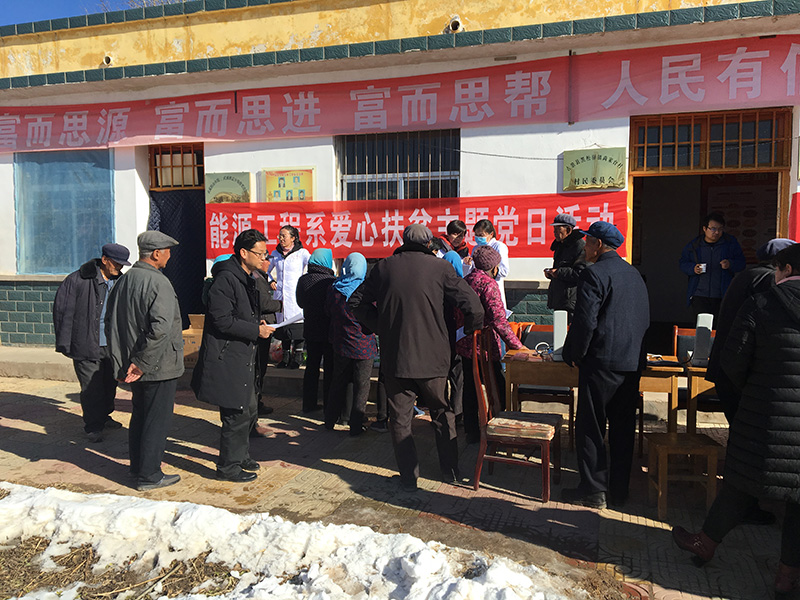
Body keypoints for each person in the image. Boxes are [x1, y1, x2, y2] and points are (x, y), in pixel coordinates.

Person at [672, 243, 800, 597]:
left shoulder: (761, 304)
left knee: (740, 483)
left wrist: (755, 392)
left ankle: (705, 543)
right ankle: (786, 576)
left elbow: (733, 359)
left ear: (786, 270)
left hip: (765, 416)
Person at [349, 224, 484, 491]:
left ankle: (408, 478)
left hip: (396, 357)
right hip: (434, 358)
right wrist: (468, 332)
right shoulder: (441, 268)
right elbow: (474, 306)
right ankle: (451, 471)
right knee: (442, 413)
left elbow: (355, 302)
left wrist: (380, 326)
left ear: (403, 241)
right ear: (429, 244)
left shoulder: (384, 267)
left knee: (400, 419)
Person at [561, 221, 650, 510]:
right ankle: (619, 492)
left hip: (601, 364)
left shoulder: (594, 273)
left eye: (587, 241)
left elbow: (585, 322)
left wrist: (574, 354)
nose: (584, 247)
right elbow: (644, 320)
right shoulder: (633, 274)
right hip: (630, 363)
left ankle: (593, 490)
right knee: (623, 429)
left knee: (591, 427)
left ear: (598, 245)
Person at [191, 230, 277, 482]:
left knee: (248, 409)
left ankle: (240, 456)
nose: (263, 258)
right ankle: (228, 467)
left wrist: (255, 322)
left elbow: (240, 313)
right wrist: (255, 330)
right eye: (260, 254)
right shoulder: (226, 279)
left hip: (243, 355)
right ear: (243, 253)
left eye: (265, 254)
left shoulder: (247, 277)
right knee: (235, 413)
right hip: (228, 356)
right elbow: (221, 320)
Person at [105, 231, 184, 492]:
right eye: (167, 251)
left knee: (140, 416)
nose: (170, 256)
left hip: (135, 364)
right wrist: (142, 362)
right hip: (155, 365)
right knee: (156, 420)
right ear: (157, 254)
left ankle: (138, 467)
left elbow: (111, 325)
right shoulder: (158, 282)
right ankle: (150, 474)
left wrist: (123, 361)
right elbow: (160, 328)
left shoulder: (124, 280)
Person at [53, 243, 131, 443]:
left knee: (109, 385)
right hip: (86, 343)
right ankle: (93, 426)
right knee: (91, 388)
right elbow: (63, 312)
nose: (119, 267)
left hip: (111, 345)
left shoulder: (120, 281)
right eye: (116, 263)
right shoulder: (77, 280)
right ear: (104, 260)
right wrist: (65, 343)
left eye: (122, 264)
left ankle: (104, 416)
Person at [456, 246, 527, 443]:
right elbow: (498, 320)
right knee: (498, 387)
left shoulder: (466, 281)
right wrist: (517, 345)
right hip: (485, 346)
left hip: (465, 344)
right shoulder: (488, 285)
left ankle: (472, 431)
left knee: (471, 388)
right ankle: (500, 428)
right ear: (494, 267)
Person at [324, 252, 377, 435]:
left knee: (338, 381)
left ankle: (330, 419)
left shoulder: (334, 288)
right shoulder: (365, 291)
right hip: (363, 345)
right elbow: (373, 317)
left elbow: (328, 311)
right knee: (362, 386)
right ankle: (356, 425)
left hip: (340, 342)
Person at [679, 211, 746, 320]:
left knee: (721, 326)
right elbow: (683, 263)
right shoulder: (694, 245)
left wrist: (730, 264)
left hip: (722, 294)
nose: (717, 232)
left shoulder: (730, 244)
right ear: (705, 229)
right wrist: (693, 268)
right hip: (699, 294)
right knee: (702, 326)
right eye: (713, 229)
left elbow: (742, 263)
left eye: (720, 229)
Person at [296, 248, 336, 414]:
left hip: (311, 329)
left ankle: (308, 404)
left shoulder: (303, 280)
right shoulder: (331, 281)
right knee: (329, 369)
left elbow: (300, 302)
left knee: (311, 368)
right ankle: (329, 406)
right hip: (328, 330)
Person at [267, 225, 310, 368]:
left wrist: (306, 282)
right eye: (279, 235)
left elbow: (312, 267)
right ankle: (285, 357)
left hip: (296, 295)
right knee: (283, 327)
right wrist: (271, 281)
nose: (281, 238)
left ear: (293, 238)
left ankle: (297, 357)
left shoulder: (302, 253)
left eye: (284, 236)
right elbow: (265, 270)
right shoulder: (275, 254)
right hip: (281, 295)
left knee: (297, 326)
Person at [543, 213, 586, 318]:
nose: (554, 232)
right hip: (560, 298)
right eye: (554, 229)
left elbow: (581, 273)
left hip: (571, 301)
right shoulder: (560, 245)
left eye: (558, 229)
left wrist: (558, 272)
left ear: (568, 230)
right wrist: (551, 273)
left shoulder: (579, 246)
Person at [471, 219, 510, 309]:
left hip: (493, 290)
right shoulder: (476, 248)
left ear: (491, 234)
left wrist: (487, 272)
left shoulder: (499, 246)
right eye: (476, 235)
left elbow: (504, 271)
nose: (478, 238)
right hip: (478, 291)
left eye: (481, 235)